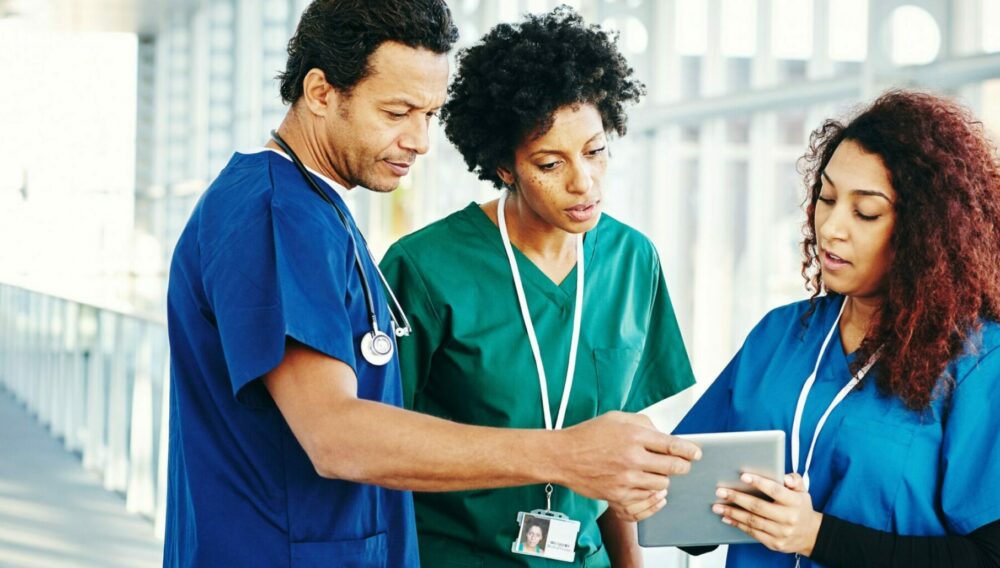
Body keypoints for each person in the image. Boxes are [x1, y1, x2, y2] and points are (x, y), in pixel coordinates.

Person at [163, 1, 700, 566]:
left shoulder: (319, 212)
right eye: (397, 112)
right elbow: (336, 435)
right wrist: (562, 455)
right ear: (320, 92)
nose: (419, 140)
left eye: (429, 115)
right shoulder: (277, 214)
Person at [379, 7, 695, 567]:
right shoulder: (424, 268)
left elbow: (620, 456)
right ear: (505, 166)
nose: (583, 182)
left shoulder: (632, 260)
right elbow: (379, 448)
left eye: (595, 152)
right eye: (550, 163)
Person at [674, 90, 1000, 567]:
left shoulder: (977, 362)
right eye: (826, 198)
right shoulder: (781, 335)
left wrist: (815, 536)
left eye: (865, 212)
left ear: (926, 231)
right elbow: (690, 524)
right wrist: (647, 482)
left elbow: (987, 557)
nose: (829, 228)